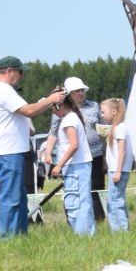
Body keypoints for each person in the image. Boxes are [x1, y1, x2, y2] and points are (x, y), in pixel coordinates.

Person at [0, 56, 65, 237]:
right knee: (11, 198)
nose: (22, 76)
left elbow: (29, 110)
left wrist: (47, 100)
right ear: (9, 71)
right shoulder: (3, 90)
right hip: (8, 151)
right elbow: (29, 111)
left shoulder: (3, 89)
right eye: (20, 72)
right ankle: (8, 238)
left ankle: (20, 234)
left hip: (10, 150)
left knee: (19, 197)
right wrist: (50, 99)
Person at [61, 76, 107, 222]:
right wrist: (48, 152)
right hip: (74, 157)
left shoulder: (94, 106)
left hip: (96, 153)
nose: (81, 93)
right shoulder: (63, 110)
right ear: (69, 94)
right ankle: (75, 219)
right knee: (74, 189)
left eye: (82, 90)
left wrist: (106, 154)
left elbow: (103, 129)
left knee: (96, 188)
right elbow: (53, 132)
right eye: (77, 91)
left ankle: (98, 219)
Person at [50, 93, 95, 236]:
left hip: (77, 166)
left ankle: (83, 234)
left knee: (78, 202)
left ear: (60, 105)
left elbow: (74, 145)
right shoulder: (71, 118)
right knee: (78, 200)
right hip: (77, 166)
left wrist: (59, 165)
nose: (52, 112)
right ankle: (84, 233)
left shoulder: (69, 120)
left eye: (52, 107)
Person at [99, 97, 130, 232]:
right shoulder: (115, 128)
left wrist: (118, 171)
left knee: (115, 202)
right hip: (115, 169)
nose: (101, 115)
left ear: (114, 112)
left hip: (118, 170)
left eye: (103, 112)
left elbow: (122, 151)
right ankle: (120, 229)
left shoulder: (120, 128)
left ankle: (120, 231)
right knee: (116, 200)